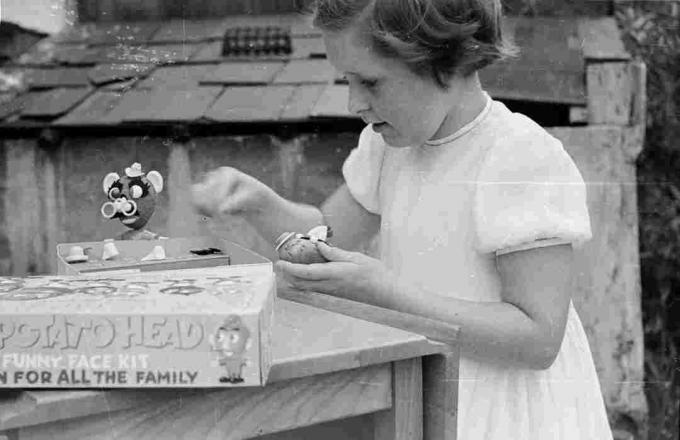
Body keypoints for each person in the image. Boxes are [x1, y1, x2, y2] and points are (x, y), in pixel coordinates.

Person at [192, 0, 613, 437]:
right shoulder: (387, 147)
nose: (355, 102)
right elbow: (325, 236)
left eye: (371, 82)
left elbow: (537, 338)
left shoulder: (517, 158)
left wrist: (388, 294)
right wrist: (258, 203)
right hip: (423, 393)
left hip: (503, 411)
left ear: (447, 63)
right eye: (348, 81)